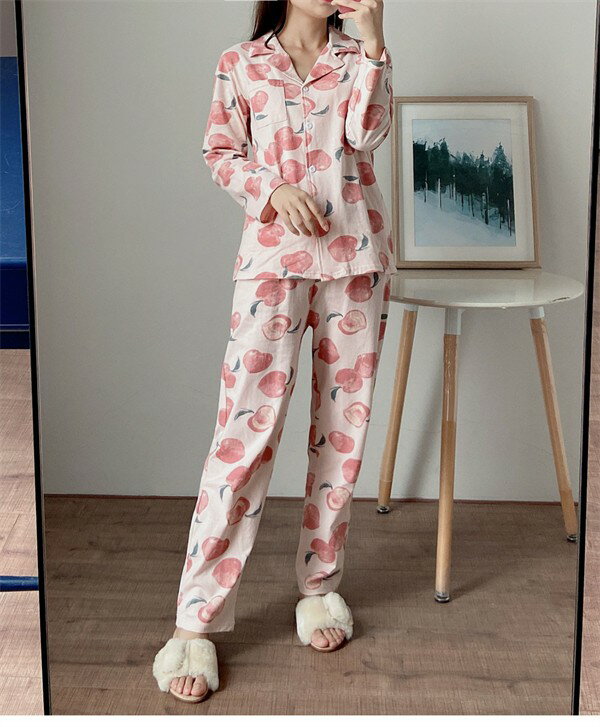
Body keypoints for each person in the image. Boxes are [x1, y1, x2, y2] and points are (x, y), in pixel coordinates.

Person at [153, 0, 394, 703]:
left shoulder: (357, 58)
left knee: (342, 435)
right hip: (271, 265)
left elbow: (368, 134)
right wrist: (273, 188)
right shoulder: (241, 63)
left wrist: (374, 44)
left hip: (355, 261)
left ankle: (320, 588)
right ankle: (194, 621)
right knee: (242, 437)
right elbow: (219, 150)